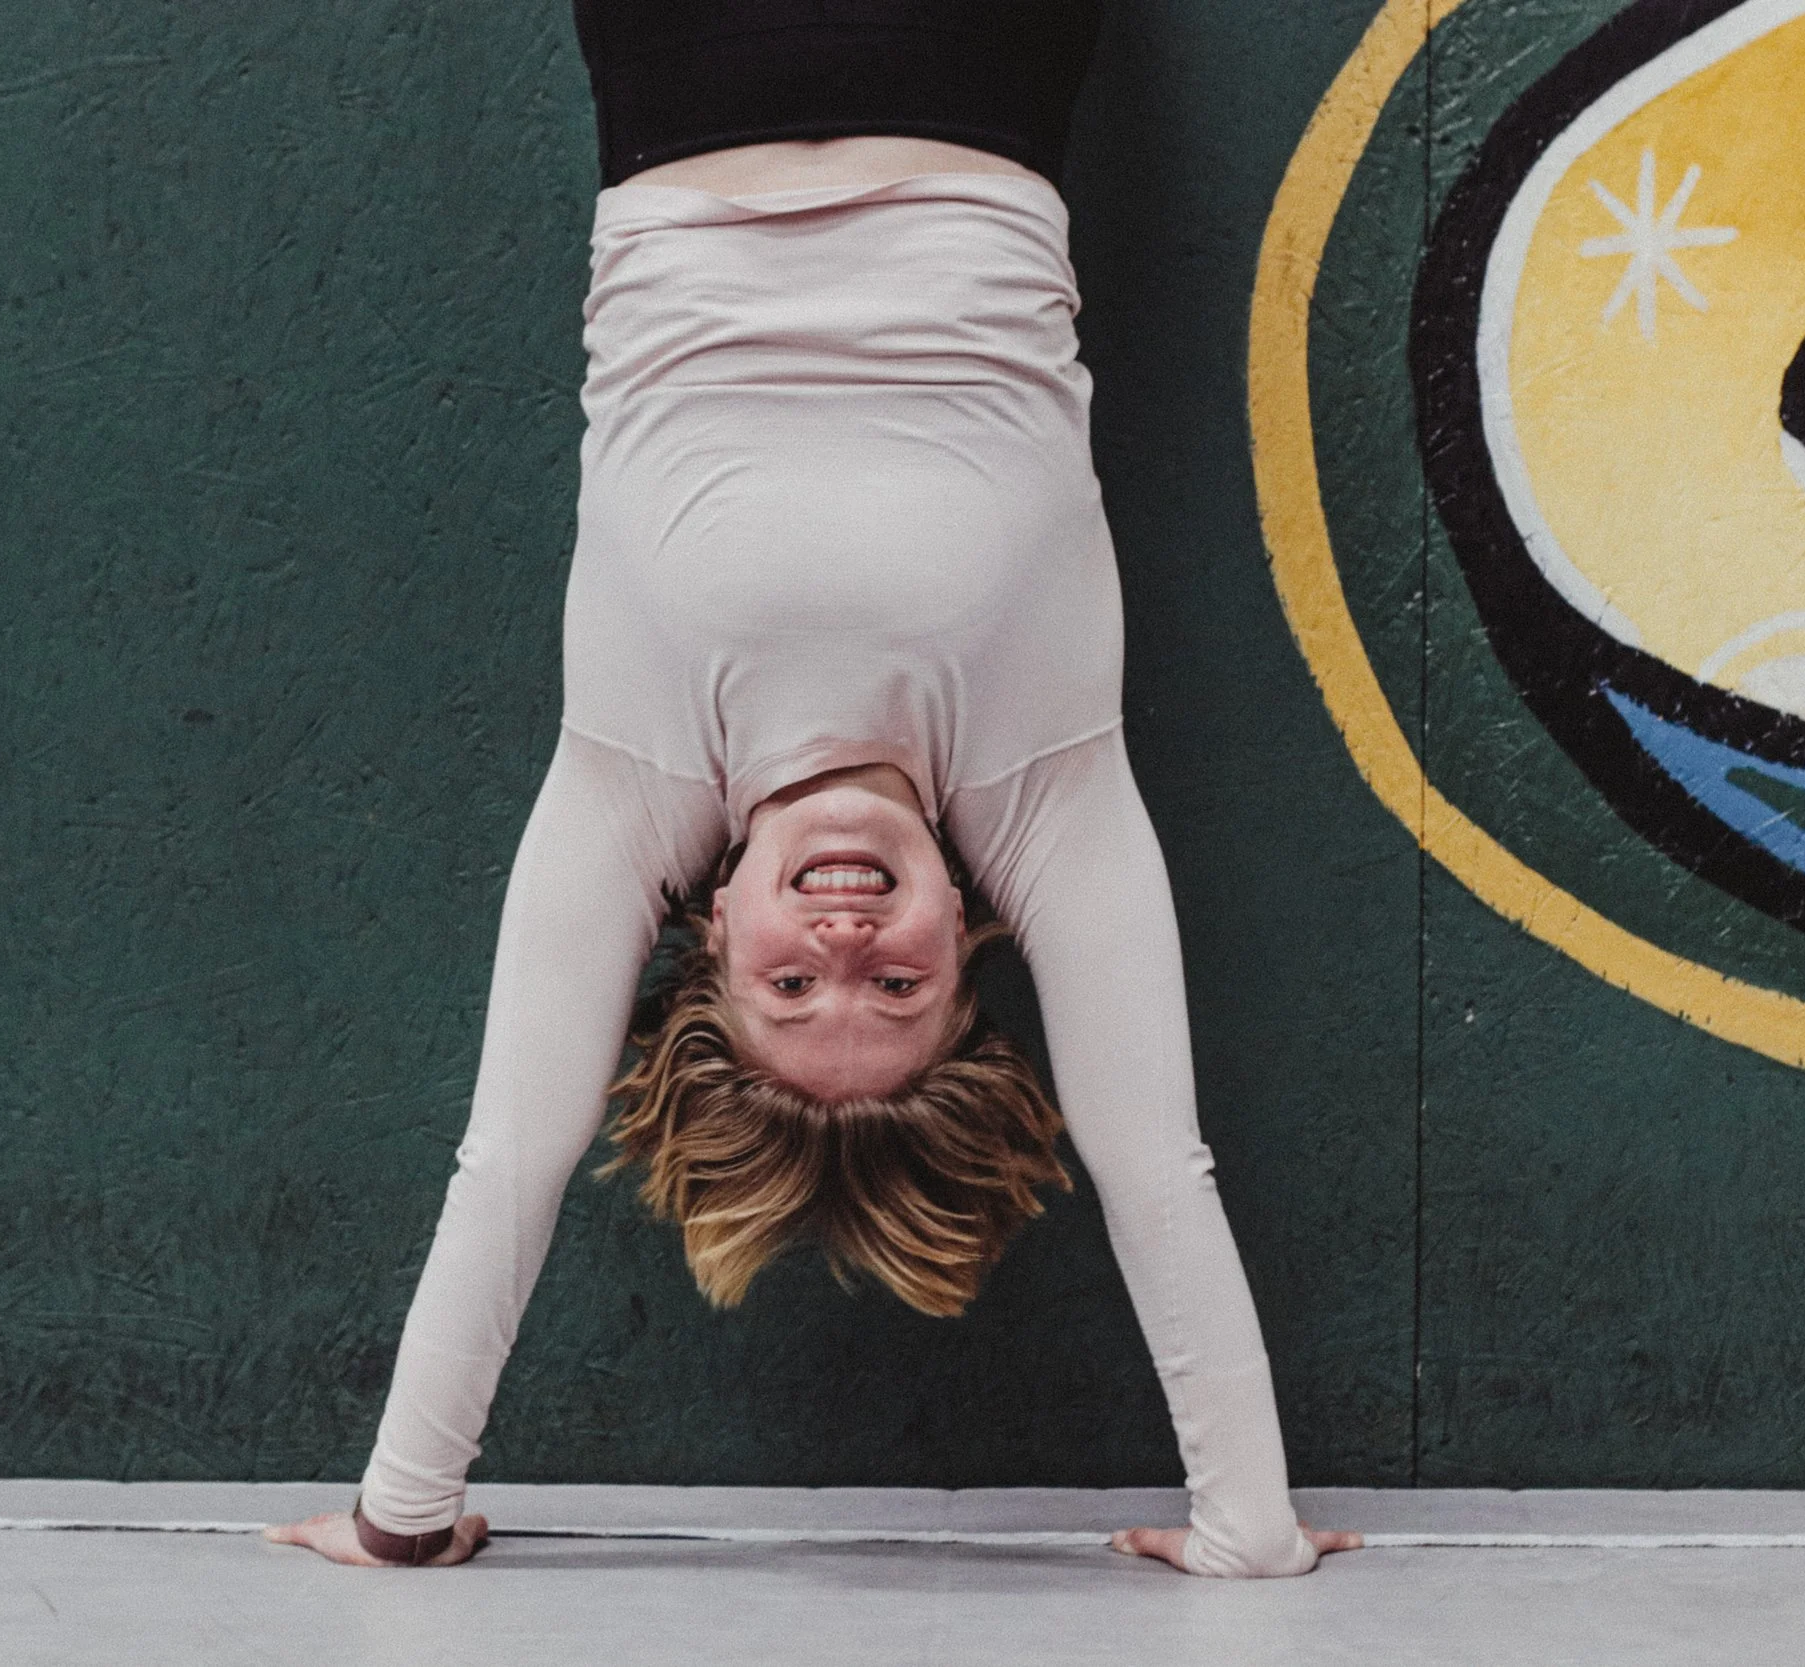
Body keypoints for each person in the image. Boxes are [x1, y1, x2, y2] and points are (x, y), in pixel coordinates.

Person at [269, 0, 1360, 1578]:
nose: (845, 939)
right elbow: (1151, 1151)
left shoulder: (631, 783)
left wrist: (404, 1510)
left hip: (688, 79)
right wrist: (1248, 1522)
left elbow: (511, 1152)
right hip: (976, 76)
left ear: (713, 936)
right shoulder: (1047, 789)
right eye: (895, 984)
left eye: (793, 985)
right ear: (963, 947)